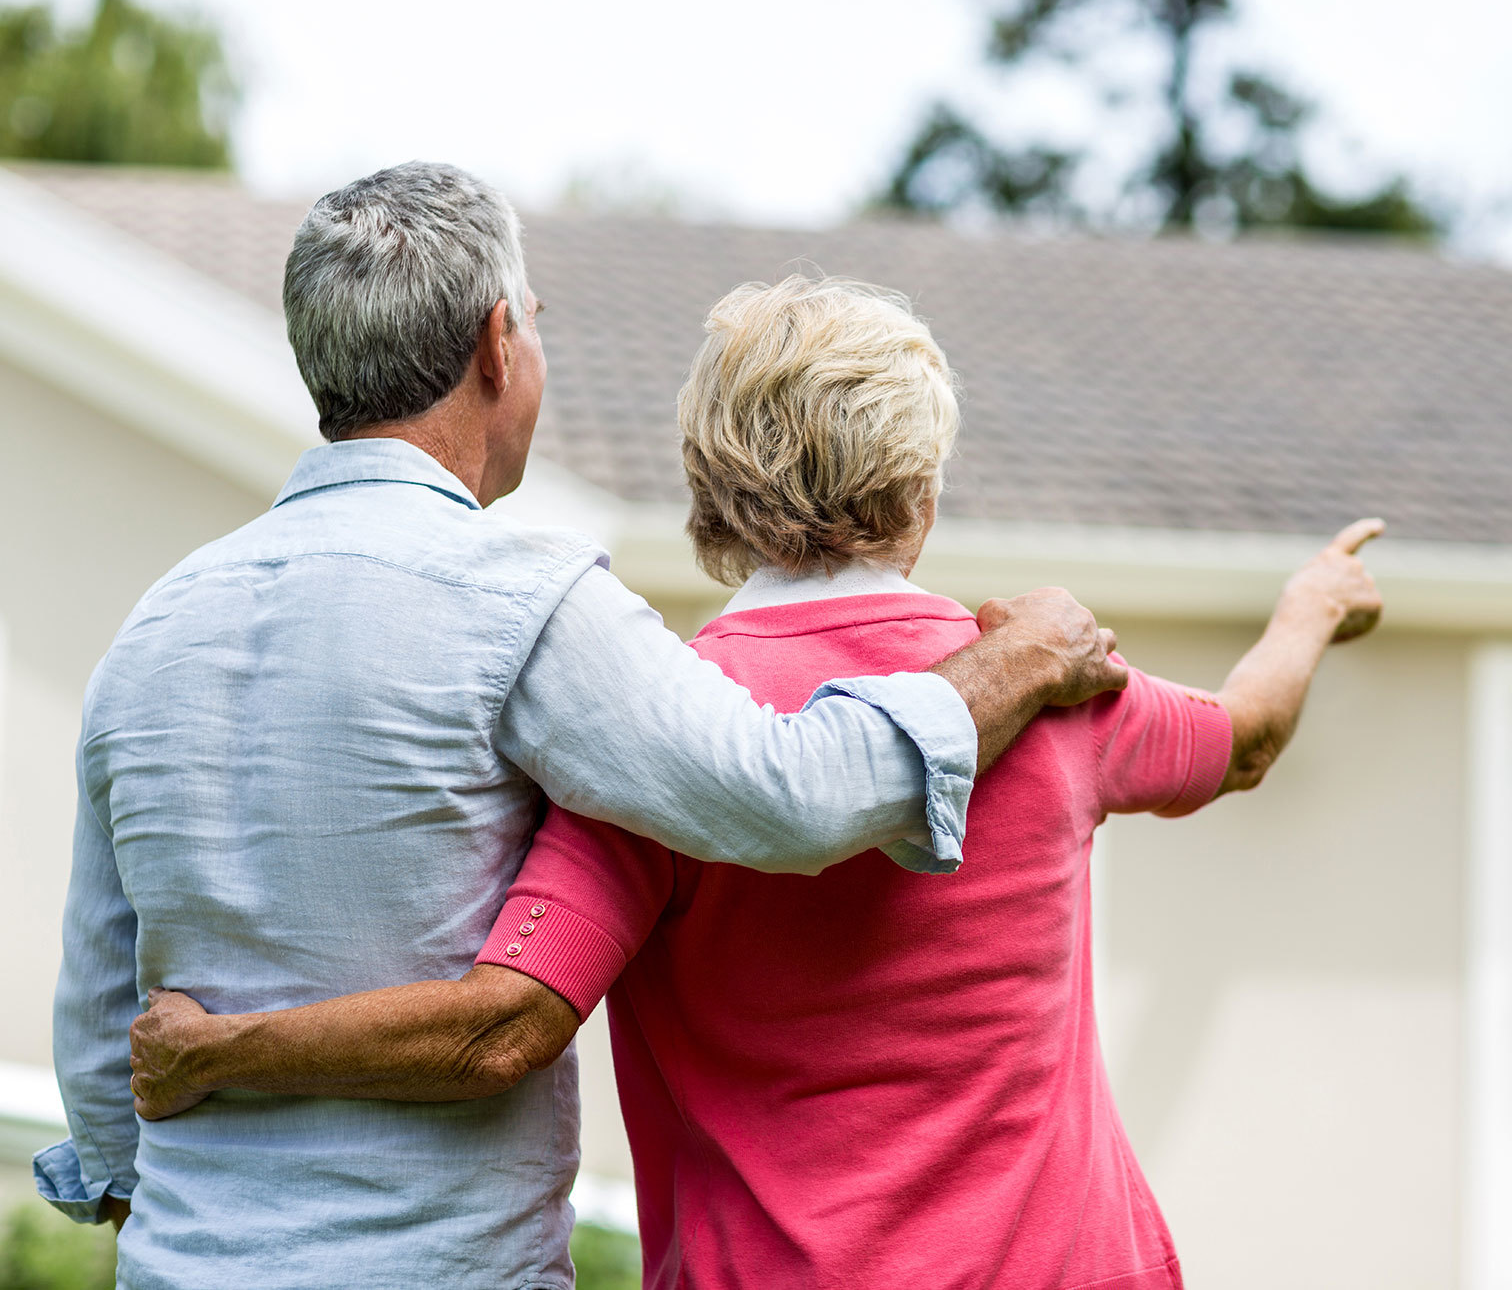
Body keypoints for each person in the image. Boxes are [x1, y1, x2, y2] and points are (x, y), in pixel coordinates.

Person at [129, 276, 1383, 1288]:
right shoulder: (1052, 683)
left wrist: (217, 1046)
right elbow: (1247, 736)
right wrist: (1311, 604)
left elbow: (501, 1023)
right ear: (921, 483)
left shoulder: (654, 738)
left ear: (710, 485)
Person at [39, 170, 1125, 1290]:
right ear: (498, 345)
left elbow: (101, 1010)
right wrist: (1017, 658)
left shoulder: (153, 629)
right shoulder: (521, 603)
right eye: (537, 322)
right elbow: (798, 796)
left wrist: (160, 1168)